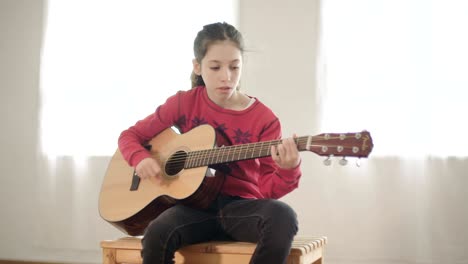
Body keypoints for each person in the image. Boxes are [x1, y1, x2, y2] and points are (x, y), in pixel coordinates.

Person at [118, 21, 302, 264]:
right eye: (215, 67)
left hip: (241, 209)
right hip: (192, 208)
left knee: (283, 216)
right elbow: (130, 136)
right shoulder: (184, 103)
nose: (226, 77)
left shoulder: (264, 119)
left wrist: (289, 170)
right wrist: (140, 158)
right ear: (197, 66)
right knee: (156, 233)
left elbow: (268, 189)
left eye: (234, 67)